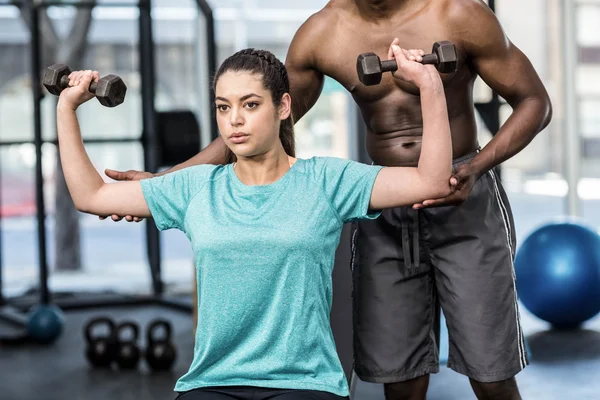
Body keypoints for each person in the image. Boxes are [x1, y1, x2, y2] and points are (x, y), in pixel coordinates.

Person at [104, 2, 553, 399]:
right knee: (400, 377)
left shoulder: (459, 14)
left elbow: (535, 102)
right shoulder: (324, 32)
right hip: (385, 207)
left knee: (491, 374)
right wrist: (164, 183)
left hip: (464, 199)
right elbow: (255, 128)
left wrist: (476, 168)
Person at [55, 45, 453, 399]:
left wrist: (430, 86)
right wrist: (67, 108)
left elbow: (431, 181)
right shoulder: (194, 188)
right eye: (223, 107)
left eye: (249, 104)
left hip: (305, 383)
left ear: (282, 107)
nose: (234, 121)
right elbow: (92, 196)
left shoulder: (328, 181)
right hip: (213, 381)